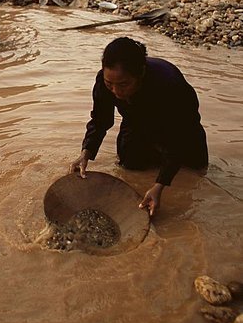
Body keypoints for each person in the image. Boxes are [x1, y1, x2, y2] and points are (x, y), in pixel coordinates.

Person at [69, 37, 208, 216]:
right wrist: (85, 153)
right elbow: (100, 120)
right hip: (136, 123)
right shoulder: (105, 81)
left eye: (123, 85)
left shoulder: (169, 85)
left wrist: (160, 185)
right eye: (109, 84)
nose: (116, 92)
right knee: (129, 167)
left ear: (140, 73)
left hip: (181, 127)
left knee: (194, 173)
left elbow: (178, 137)